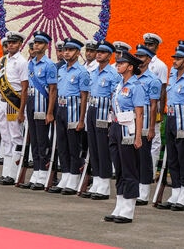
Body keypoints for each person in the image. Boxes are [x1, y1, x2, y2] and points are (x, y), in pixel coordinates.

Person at [155, 46, 184, 211]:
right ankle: (175, 194)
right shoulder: (173, 77)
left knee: (183, 159)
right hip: (171, 120)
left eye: (178, 59)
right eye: (174, 58)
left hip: (183, 122)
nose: (174, 61)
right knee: (172, 158)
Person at [104, 51, 145, 223]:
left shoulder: (136, 86)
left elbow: (140, 112)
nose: (118, 65)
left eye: (121, 63)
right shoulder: (120, 85)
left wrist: (138, 136)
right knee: (119, 168)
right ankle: (119, 205)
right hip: (115, 127)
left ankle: (128, 209)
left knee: (129, 168)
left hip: (128, 129)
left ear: (130, 67)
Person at [48, 38, 90, 195]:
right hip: (61, 108)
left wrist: (81, 119)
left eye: (71, 50)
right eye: (65, 49)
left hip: (74, 109)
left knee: (74, 146)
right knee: (62, 144)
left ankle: (73, 177)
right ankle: (65, 175)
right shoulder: (62, 70)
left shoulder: (82, 72)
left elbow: (84, 96)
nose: (66, 52)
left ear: (78, 53)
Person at [82, 41, 120, 200]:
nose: (98, 54)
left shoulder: (113, 74)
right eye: (98, 52)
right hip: (92, 109)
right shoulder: (94, 72)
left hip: (104, 112)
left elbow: (115, 98)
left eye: (103, 52)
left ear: (110, 55)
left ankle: (104, 185)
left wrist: (112, 119)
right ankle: (96, 181)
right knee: (94, 147)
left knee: (103, 148)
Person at [19, 31, 57, 190]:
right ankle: (36, 172)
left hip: (43, 104)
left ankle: (43, 174)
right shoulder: (31, 63)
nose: (36, 45)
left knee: (42, 141)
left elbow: (53, 90)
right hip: (32, 102)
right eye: (35, 42)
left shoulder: (49, 65)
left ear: (46, 46)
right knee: (33, 139)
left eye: (40, 43)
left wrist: (49, 112)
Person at [0, 31, 28, 185]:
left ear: (20, 44)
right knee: (5, 137)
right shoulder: (2, 61)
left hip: (14, 103)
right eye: (9, 43)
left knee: (15, 137)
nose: (11, 45)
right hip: (2, 103)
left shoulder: (22, 62)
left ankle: (13, 174)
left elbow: (24, 87)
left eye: (14, 43)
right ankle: (6, 172)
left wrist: (21, 111)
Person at [132, 44, 162, 205]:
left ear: (149, 59)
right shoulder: (132, 77)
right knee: (133, 159)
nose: (138, 59)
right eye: (137, 56)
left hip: (144, 123)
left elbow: (153, 106)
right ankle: (135, 188)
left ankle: (144, 192)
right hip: (132, 123)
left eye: (142, 57)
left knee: (144, 158)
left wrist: (151, 129)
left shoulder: (153, 80)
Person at [142, 33, 167, 174]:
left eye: (151, 45)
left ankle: (150, 171)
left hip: (154, 107)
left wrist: (160, 111)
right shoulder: (140, 62)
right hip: (141, 108)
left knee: (154, 140)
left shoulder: (160, 65)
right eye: (146, 44)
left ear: (157, 47)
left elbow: (163, 90)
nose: (148, 47)